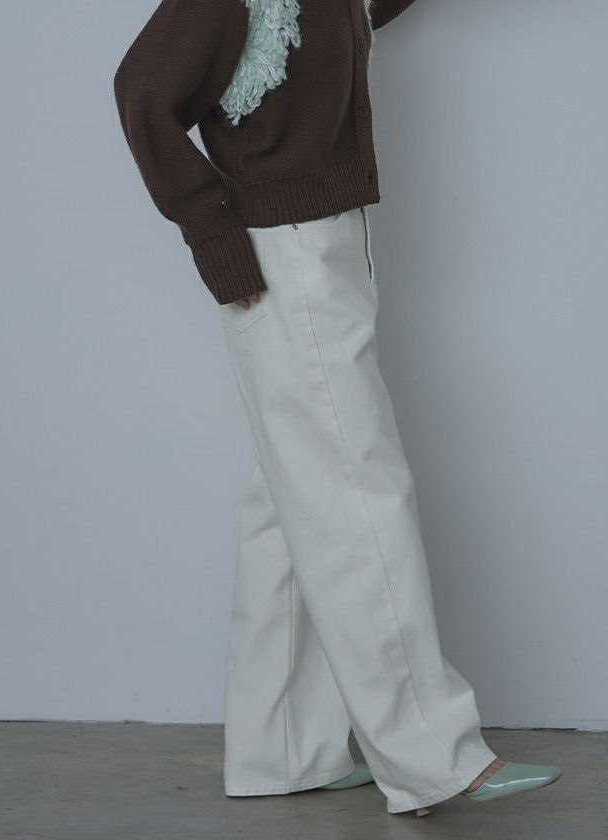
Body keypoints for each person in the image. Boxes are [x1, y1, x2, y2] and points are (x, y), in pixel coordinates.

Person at [113, 0, 561, 818]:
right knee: (359, 495)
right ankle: (432, 757)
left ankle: (283, 746)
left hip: (321, 245)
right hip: (282, 257)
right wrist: (213, 235)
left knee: (289, 500)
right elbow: (141, 90)